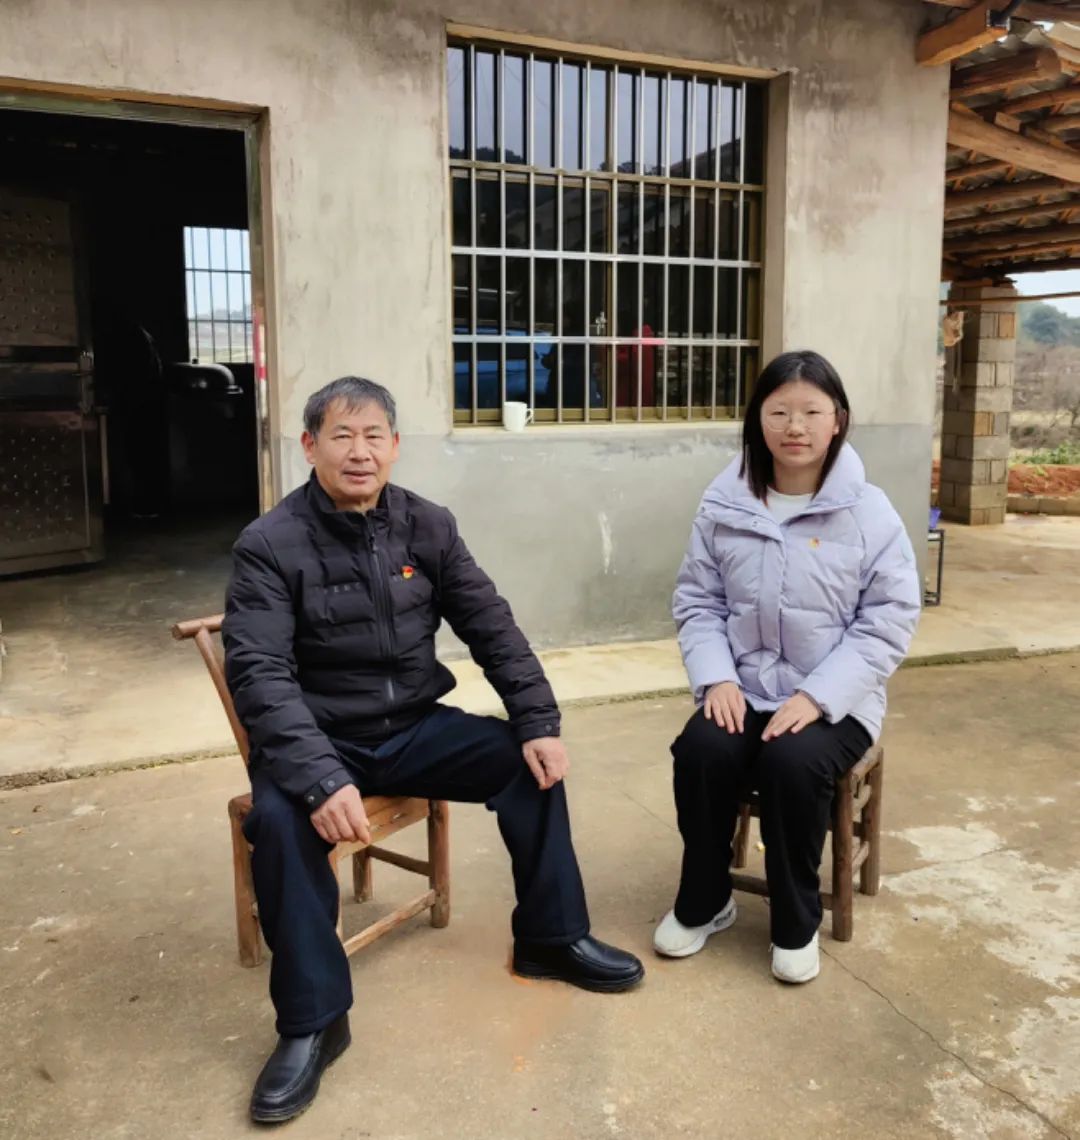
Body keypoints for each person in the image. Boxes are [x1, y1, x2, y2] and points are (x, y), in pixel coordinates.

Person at [223, 375, 643, 1124]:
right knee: (281, 823)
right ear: (310, 446)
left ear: (394, 446)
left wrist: (538, 720)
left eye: (373, 436)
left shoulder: (427, 525)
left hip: (413, 727)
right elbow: (259, 675)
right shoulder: (269, 544)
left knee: (528, 767)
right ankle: (314, 1023)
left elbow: (491, 625)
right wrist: (320, 778)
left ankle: (551, 938)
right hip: (320, 738)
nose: (359, 452)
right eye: (341, 436)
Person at [653, 350, 920, 983]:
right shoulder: (724, 503)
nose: (794, 427)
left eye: (811, 412)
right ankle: (705, 901)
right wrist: (717, 677)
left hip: (836, 699)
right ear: (758, 420)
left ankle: (796, 921)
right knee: (701, 751)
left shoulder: (869, 512)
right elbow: (698, 601)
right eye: (778, 412)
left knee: (791, 763)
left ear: (838, 421)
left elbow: (888, 618)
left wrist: (819, 697)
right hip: (743, 686)